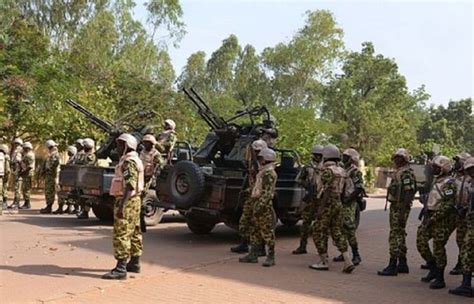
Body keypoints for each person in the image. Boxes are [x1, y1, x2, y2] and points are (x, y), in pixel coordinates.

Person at [102, 133, 144, 280]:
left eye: (120, 145)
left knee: (122, 232)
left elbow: (130, 185)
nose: (117, 148)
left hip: (127, 200)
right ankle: (135, 263)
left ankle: (121, 268)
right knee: (134, 231)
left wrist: (121, 207)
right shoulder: (134, 159)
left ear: (127, 146)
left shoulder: (128, 162)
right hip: (135, 200)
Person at [309, 144, 355, 274]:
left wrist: (321, 208)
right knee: (337, 232)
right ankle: (347, 260)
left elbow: (327, 190)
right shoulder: (342, 171)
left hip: (328, 203)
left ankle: (323, 261)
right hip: (338, 203)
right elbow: (345, 189)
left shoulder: (327, 171)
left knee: (318, 230)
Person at [416, 155, 458, 289]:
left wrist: (434, 219)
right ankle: (432, 267)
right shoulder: (436, 180)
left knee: (438, 246)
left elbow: (448, 204)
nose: (433, 169)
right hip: (430, 215)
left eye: (436, 167)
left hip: (443, 219)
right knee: (421, 240)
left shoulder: (449, 183)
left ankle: (440, 277)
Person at [378, 148, 416, 276]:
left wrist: (402, 211)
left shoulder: (406, 173)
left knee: (395, 234)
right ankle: (402, 263)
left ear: (404, 159)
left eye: (398, 158)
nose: (395, 160)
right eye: (395, 157)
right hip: (397, 206)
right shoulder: (399, 172)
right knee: (399, 234)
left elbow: (409, 192)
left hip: (400, 207)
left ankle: (392, 264)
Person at [239, 148, 278, 267]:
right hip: (257, 202)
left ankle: (271, 256)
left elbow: (267, 193)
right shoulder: (263, 172)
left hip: (264, 206)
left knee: (267, 231)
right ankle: (253, 254)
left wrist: (259, 207)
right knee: (254, 230)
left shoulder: (269, 173)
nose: (259, 160)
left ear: (267, 159)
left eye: (261, 158)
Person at [231, 139, 268, 254]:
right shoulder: (252, 161)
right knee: (244, 221)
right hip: (251, 194)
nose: (256, 153)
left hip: (259, 196)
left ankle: (261, 248)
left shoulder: (266, 164)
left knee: (258, 223)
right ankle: (244, 243)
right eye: (255, 151)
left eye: (258, 151)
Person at [333, 148, 365, 265]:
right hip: (342, 202)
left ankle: (356, 255)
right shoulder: (343, 170)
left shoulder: (354, 172)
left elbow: (359, 187)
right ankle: (344, 253)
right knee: (340, 229)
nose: (343, 158)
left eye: (346, 157)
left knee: (349, 229)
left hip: (349, 203)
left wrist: (348, 199)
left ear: (351, 159)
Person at [449, 157, 474, 298]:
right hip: (469, 220)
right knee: (466, 248)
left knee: (467, 251)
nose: (470, 172)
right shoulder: (470, 183)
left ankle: (466, 285)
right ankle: (465, 283)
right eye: (468, 169)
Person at [292, 144, 323, 255]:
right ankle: (302, 246)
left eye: (319, 155)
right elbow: (299, 179)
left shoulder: (326, 167)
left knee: (322, 225)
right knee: (305, 223)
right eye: (315, 155)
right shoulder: (308, 166)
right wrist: (307, 185)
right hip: (311, 198)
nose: (317, 157)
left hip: (322, 198)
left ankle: (322, 251)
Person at [76, 138, 96, 219]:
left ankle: (85, 212)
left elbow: (88, 166)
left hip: (87, 179)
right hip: (82, 179)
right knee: (81, 196)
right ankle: (83, 211)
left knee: (87, 197)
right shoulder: (84, 155)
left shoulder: (91, 156)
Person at [40, 140, 61, 214]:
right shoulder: (51, 154)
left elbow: (53, 165)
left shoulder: (55, 154)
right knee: (48, 190)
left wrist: (49, 171)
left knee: (50, 191)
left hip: (52, 175)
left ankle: (49, 207)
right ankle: (48, 206)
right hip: (49, 175)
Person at [19, 142, 35, 210]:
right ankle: (26, 203)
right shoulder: (27, 154)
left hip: (28, 174)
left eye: (24, 148)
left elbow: (30, 166)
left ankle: (27, 203)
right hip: (26, 173)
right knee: (25, 189)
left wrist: (23, 172)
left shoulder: (29, 155)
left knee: (26, 189)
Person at [9, 138, 23, 209]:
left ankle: (16, 202)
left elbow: (19, 161)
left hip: (18, 170)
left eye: (16, 143)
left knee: (17, 187)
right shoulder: (16, 151)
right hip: (15, 169)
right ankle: (15, 202)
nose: (15, 145)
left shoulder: (19, 151)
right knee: (16, 187)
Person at [0, 144, 10, 210]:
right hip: (2, 175)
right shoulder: (5, 156)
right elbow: (7, 169)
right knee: (3, 190)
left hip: (2, 175)